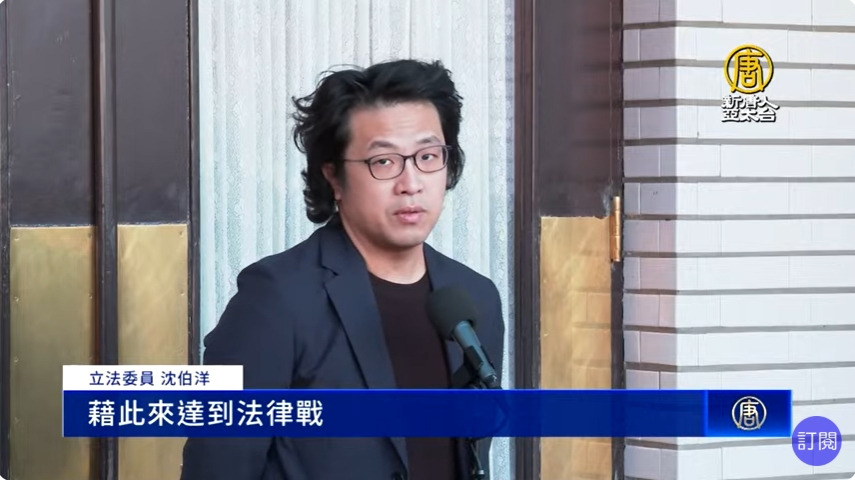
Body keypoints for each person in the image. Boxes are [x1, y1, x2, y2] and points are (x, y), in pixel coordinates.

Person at [180, 59, 506, 480]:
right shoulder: (276, 300)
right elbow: (218, 468)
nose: (411, 183)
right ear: (333, 176)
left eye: (428, 156)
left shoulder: (473, 299)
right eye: (384, 162)